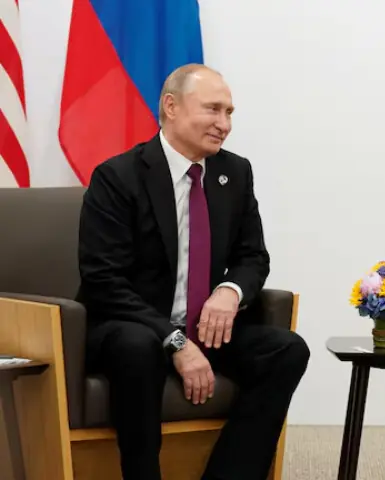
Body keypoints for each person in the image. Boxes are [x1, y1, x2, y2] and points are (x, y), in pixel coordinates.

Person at [77, 63, 309, 480]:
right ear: (171, 107)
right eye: (213, 109)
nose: (225, 124)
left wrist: (229, 291)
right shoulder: (118, 177)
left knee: (287, 350)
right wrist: (175, 340)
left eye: (229, 113)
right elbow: (103, 281)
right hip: (134, 326)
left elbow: (253, 256)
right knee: (137, 347)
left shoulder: (235, 172)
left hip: (204, 326)